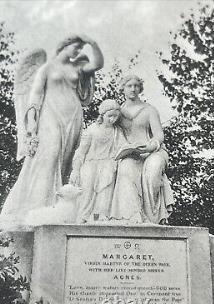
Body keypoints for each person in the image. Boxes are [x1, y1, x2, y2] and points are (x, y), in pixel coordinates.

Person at [1, 34, 104, 219]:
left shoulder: (78, 67)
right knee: (50, 154)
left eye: (81, 48)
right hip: (50, 115)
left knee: (66, 160)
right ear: (65, 44)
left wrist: (92, 42)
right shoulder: (46, 68)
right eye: (76, 46)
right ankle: (38, 206)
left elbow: (98, 64)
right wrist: (32, 123)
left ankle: (59, 208)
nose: (78, 50)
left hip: (72, 116)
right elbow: (35, 97)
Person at [111, 75, 174, 224]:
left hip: (153, 151)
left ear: (140, 88)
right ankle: (133, 216)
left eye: (136, 86)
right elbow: (109, 132)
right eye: (129, 86)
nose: (133, 89)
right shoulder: (118, 112)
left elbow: (159, 135)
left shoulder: (149, 110)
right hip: (132, 154)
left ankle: (153, 220)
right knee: (126, 169)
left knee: (153, 170)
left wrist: (151, 146)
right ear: (123, 89)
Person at [70, 99, 126, 222]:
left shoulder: (117, 132)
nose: (113, 119)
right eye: (110, 116)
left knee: (106, 185)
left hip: (109, 164)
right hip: (91, 163)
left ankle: (101, 217)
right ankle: (83, 217)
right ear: (102, 115)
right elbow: (80, 153)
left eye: (116, 117)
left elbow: (124, 147)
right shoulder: (92, 130)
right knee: (87, 186)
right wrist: (76, 170)